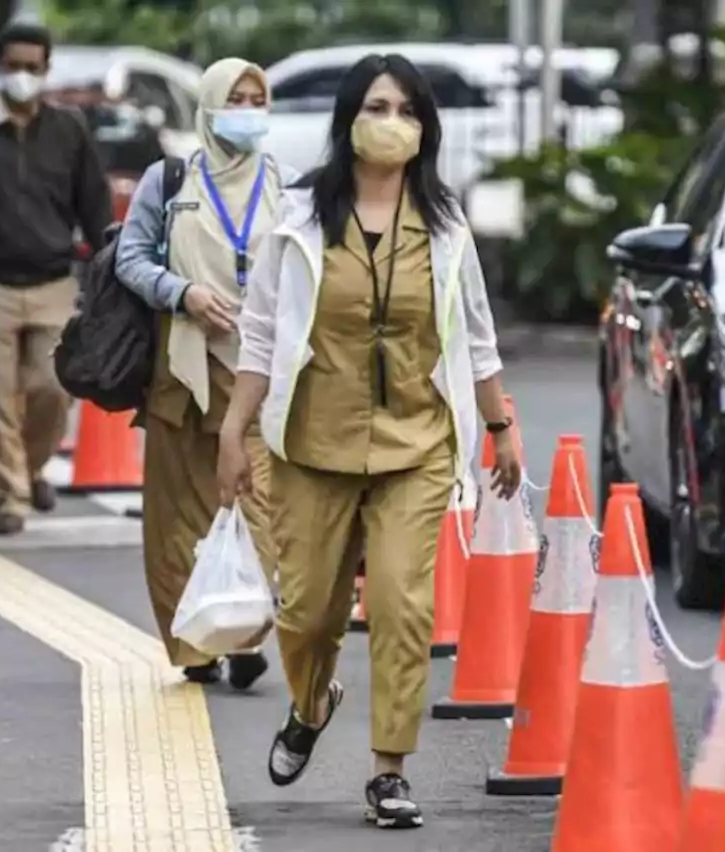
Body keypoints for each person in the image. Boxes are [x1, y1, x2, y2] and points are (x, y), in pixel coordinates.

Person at [217, 53, 521, 828]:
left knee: (401, 604)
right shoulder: (297, 217)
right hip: (310, 445)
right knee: (310, 614)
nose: (394, 124)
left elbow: (476, 337)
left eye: (409, 111)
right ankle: (313, 703)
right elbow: (259, 334)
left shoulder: (447, 226)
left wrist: (500, 427)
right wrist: (232, 429)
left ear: (427, 128)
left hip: (416, 446)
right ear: (348, 119)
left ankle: (390, 769)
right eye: (378, 108)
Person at [114, 57, 298, 689]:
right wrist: (181, 292)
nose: (247, 110)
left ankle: (244, 629)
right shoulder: (169, 181)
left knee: (261, 508)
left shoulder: (287, 186)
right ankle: (196, 646)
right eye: (235, 99)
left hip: (263, 378)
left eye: (257, 98)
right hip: (185, 373)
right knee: (177, 517)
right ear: (209, 105)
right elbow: (128, 259)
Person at [0, 22, 113, 535]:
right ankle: (9, 498)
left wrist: (108, 271)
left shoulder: (69, 130)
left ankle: (29, 469)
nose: (22, 76)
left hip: (52, 282)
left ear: (47, 69)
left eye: (32, 67)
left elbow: (93, 205)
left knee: (53, 389)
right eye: (13, 66)